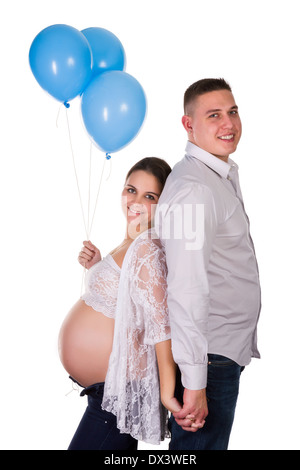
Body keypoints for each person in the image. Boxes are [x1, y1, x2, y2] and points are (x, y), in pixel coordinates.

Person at [155, 78, 261, 450]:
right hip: (207, 360)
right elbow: (186, 288)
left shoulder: (215, 176)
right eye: (213, 115)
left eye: (232, 112)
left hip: (217, 355)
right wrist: (196, 382)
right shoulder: (196, 189)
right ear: (188, 125)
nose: (228, 123)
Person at [58, 157, 184, 450]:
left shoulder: (149, 246)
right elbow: (128, 299)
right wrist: (98, 266)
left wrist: (166, 393)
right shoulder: (132, 240)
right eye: (131, 189)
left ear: (163, 204)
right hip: (106, 397)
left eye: (149, 196)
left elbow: (160, 323)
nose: (136, 201)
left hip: (115, 398)